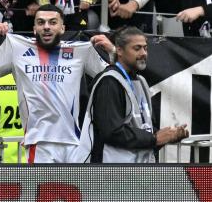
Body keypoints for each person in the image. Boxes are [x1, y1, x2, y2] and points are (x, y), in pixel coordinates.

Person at [0, 4, 114, 163]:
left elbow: (113, 78)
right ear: (34, 28)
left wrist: (113, 52)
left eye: (53, 22)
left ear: (62, 28)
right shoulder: (16, 47)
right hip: (39, 142)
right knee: (45, 189)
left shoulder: (81, 50)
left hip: (75, 143)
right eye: (41, 22)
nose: (46, 27)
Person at [78, 26, 189, 163]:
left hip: (137, 171)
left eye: (145, 48)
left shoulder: (141, 81)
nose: (143, 53)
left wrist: (168, 135)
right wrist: (154, 138)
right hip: (110, 175)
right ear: (119, 50)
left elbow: (143, 127)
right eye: (137, 48)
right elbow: (112, 131)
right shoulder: (109, 81)